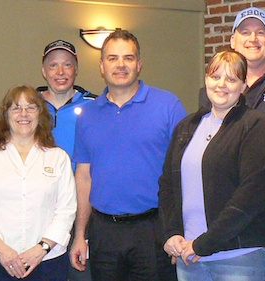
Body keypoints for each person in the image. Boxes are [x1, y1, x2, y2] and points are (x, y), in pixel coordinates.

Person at [69, 29, 187, 281]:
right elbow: (83, 177)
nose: (120, 65)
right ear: (102, 66)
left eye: (128, 58)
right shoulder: (88, 115)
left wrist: (180, 231)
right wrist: (80, 234)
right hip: (103, 233)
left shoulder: (168, 106)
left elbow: (185, 172)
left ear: (139, 64)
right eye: (112, 58)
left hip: (154, 229)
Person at [159, 50, 265, 281]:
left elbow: (251, 197)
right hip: (190, 256)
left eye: (231, 79)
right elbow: (167, 185)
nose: (221, 85)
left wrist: (204, 243)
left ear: (244, 85)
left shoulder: (256, 127)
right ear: (206, 79)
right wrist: (172, 233)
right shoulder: (187, 127)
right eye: (215, 77)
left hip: (241, 257)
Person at [199, 7, 265, 279]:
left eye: (260, 32)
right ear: (232, 40)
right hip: (222, 219)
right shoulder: (211, 93)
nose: (253, 38)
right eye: (245, 32)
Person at [0, 85, 77, 280]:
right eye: (16, 108)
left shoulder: (58, 158)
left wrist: (41, 249)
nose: (23, 114)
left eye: (31, 107)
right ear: (5, 115)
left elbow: (66, 211)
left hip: (46, 262)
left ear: (40, 114)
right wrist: (2, 250)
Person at [38, 39, 95, 281]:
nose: (60, 72)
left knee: (81, 274)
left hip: (83, 208)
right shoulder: (28, 107)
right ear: (44, 71)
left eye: (67, 65)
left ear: (76, 69)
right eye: (53, 66)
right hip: (39, 209)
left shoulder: (95, 106)